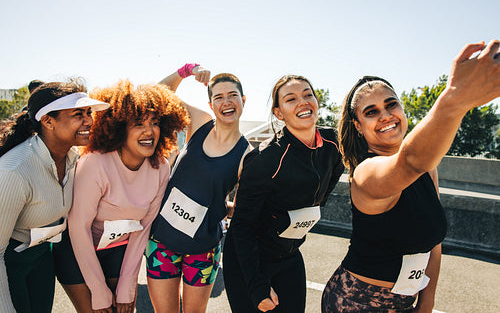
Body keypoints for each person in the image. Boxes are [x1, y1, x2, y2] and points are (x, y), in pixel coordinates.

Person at [321, 40, 500, 313]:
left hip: (406, 302)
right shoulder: (366, 173)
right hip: (355, 302)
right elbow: (409, 162)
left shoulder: (429, 168)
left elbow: (433, 245)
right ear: (357, 126)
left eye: (391, 104)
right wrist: (455, 97)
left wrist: (427, 302)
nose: (385, 115)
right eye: (371, 112)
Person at [53, 80, 189, 312]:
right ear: (119, 128)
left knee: (125, 306)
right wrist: (98, 289)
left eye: (155, 122)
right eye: (138, 124)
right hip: (77, 250)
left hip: (118, 248)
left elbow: (143, 227)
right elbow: (78, 228)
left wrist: (127, 286)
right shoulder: (95, 163)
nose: (149, 131)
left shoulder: (161, 167)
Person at [223, 75, 345, 313]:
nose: (303, 102)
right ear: (279, 113)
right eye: (291, 99)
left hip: (289, 255)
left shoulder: (333, 144)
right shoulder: (265, 159)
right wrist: (257, 285)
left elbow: (326, 188)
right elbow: (241, 225)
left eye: (308, 95)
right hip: (249, 260)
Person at [146, 64, 250, 313]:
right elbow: (157, 94)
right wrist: (187, 71)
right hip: (162, 241)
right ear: (211, 103)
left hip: (203, 250)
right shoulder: (200, 123)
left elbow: (245, 207)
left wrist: (220, 209)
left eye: (233, 95)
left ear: (243, 100)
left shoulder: (247, 155)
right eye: (219, 97)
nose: (226, 102)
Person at [0, 81, 109, 312]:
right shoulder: (14, 171)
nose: (89, 120)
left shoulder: (75, 160)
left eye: (88, 112)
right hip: (9, 262)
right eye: (78, 114)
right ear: (48, 121)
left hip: (42, 256)